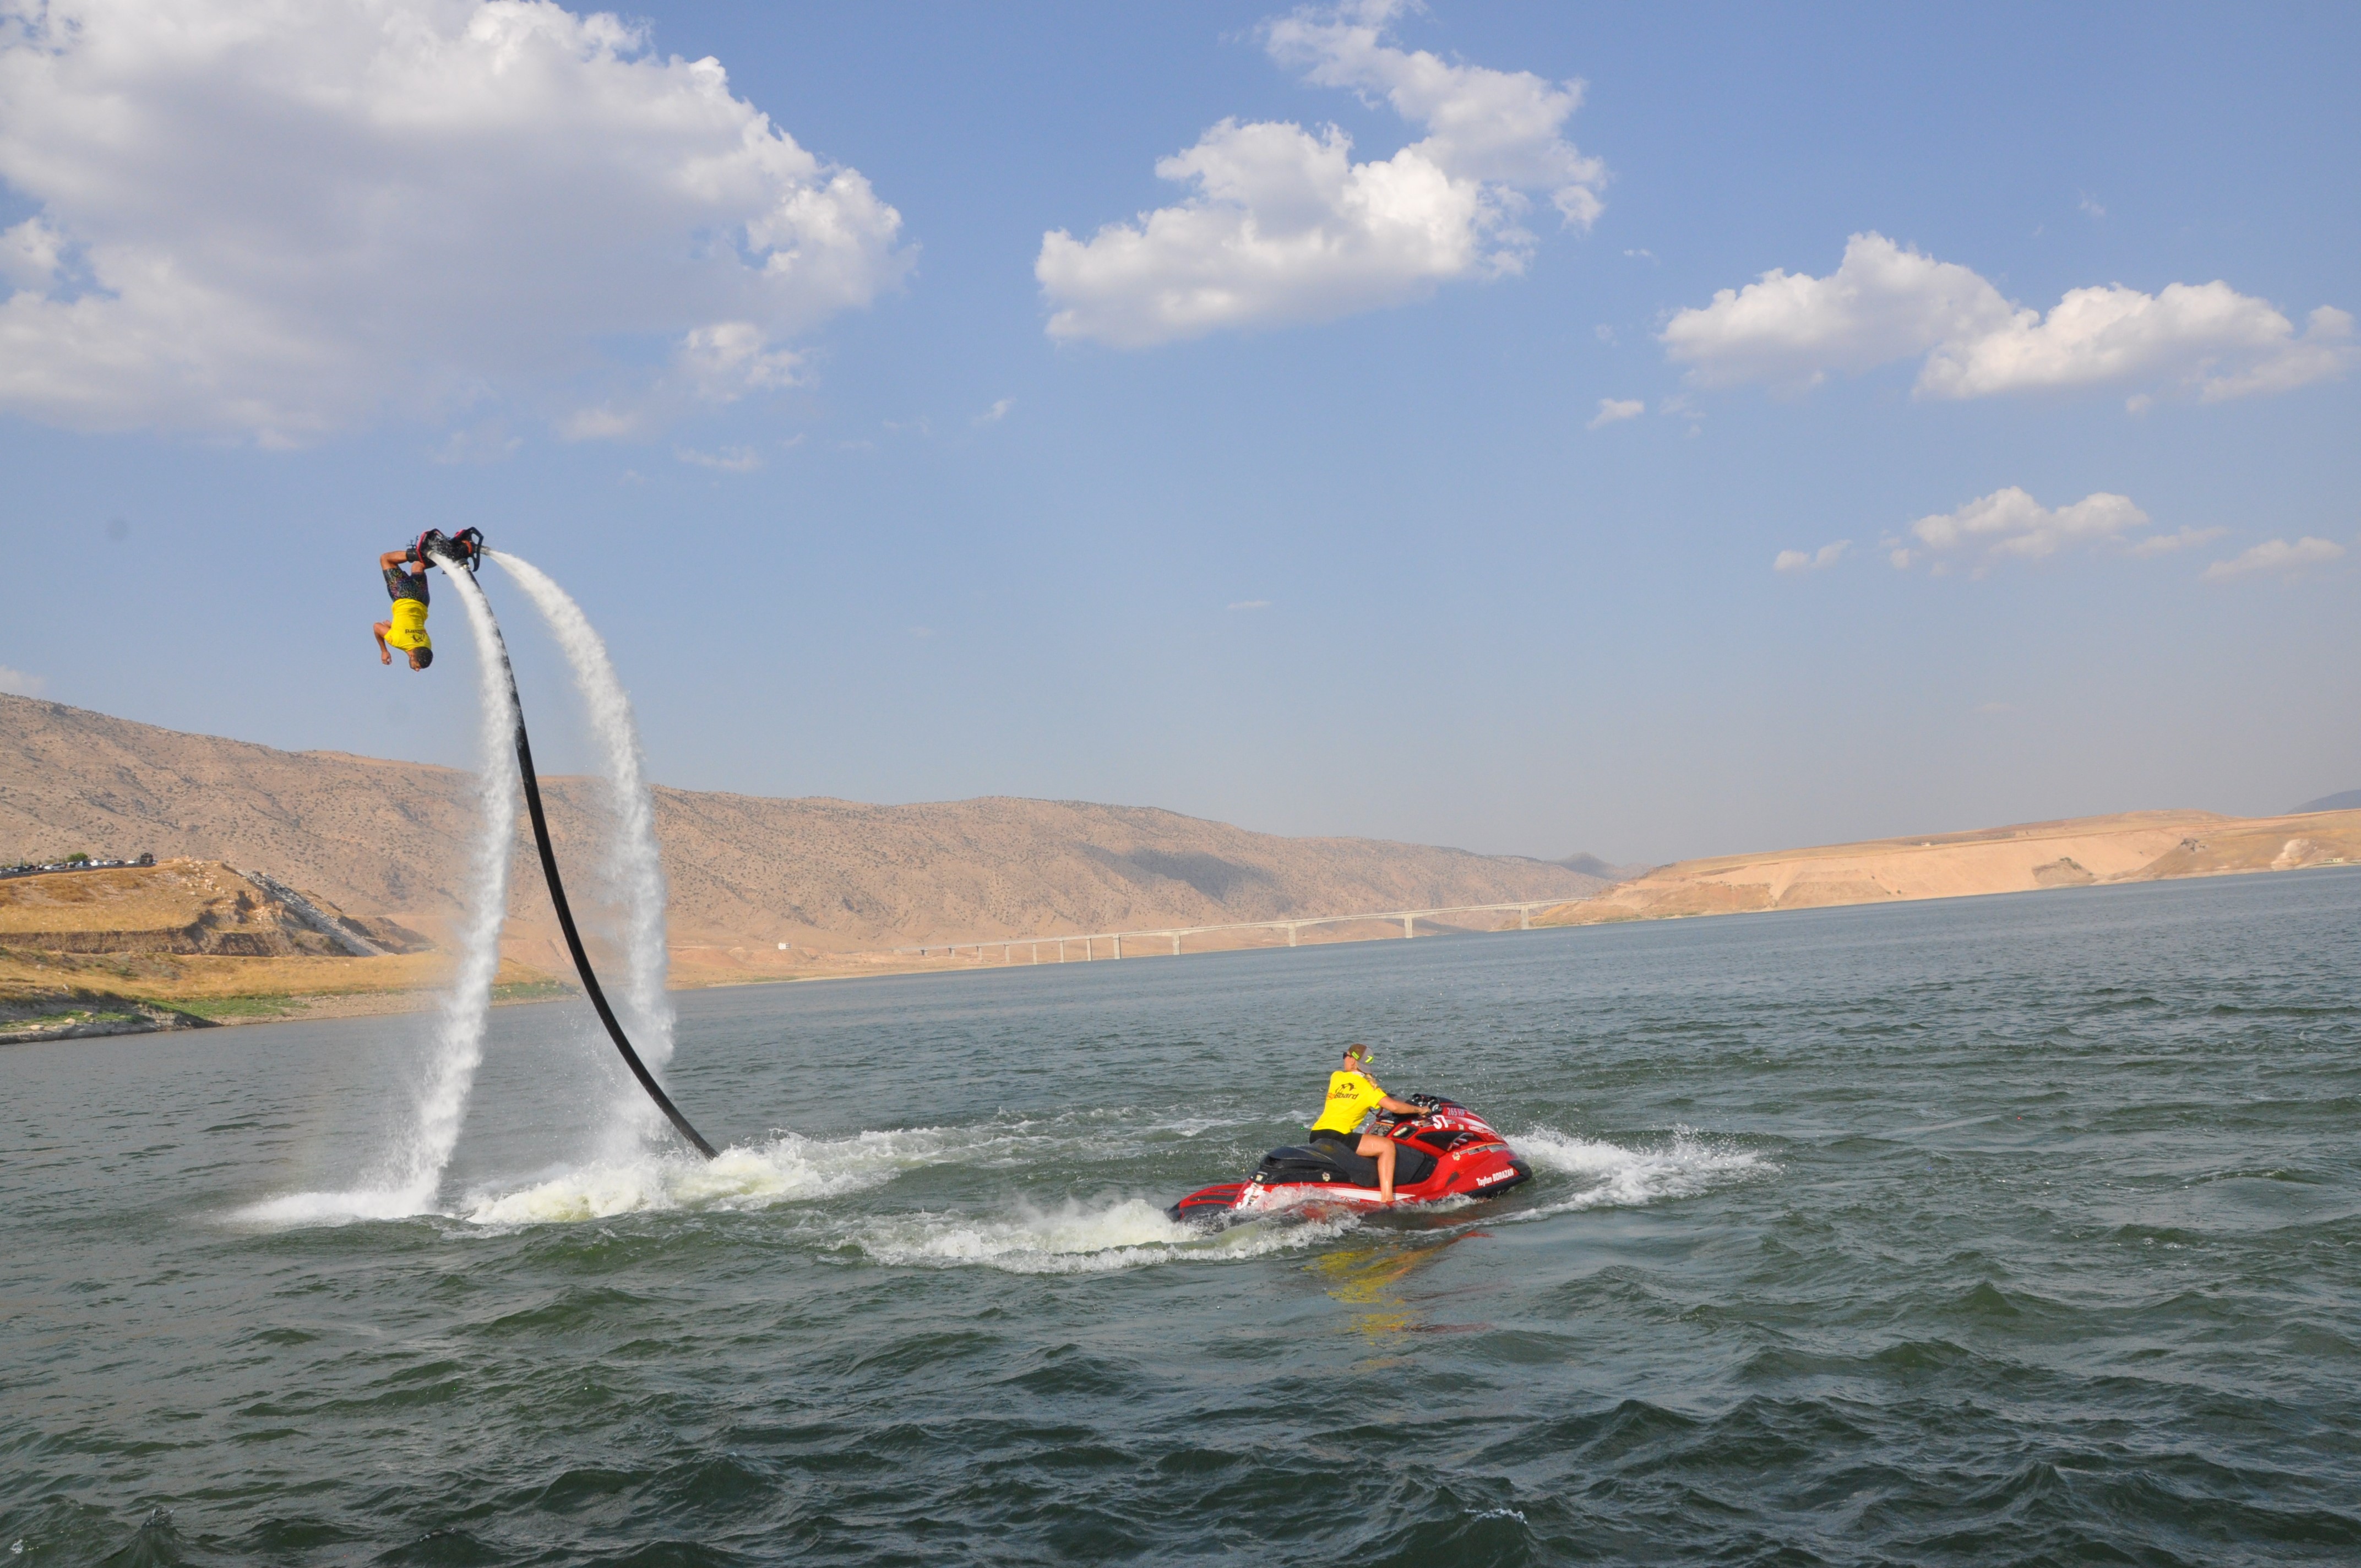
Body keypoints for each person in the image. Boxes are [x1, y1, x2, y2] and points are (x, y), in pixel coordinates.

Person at [1307, 1043, 1423, 1202]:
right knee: (1387, 1147)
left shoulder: (1336, 1077)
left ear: (1353, 1061)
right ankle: (1387, 1200)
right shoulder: (1369, 1088)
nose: (1344, 1060)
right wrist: (1420, 1110)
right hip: (1338, 1137)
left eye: (1345, 1056)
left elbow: (1352, 1093)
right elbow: (1394, 1106)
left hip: (1316, 1134)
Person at [372, 545, 435, 671]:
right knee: (386, 559)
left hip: (423, 600)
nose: (417, 670)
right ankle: (417, 553)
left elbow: (410, 631)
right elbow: (377, 627)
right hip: (404, 595)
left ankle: (440, 554)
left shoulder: (427, 645)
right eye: (418, 666)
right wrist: (384, 651)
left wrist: (393, 627)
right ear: (412, 656)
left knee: (418, 566)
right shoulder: (397, 640)